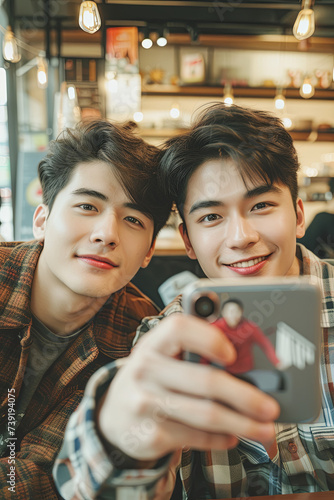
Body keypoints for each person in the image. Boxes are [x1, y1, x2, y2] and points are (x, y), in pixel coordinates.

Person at [54, 103, 334, 499]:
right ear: (187, 240)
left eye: (261, 206)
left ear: (299, 213)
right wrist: (122, 443)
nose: (240, 236)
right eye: (210, 218)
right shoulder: (165, 339)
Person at [0, 119, 172, 499]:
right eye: (86, 205)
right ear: (42, 220)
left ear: (148, 252)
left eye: (132, 220)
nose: (106, 233)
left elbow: (49, 475)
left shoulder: (140, 340)